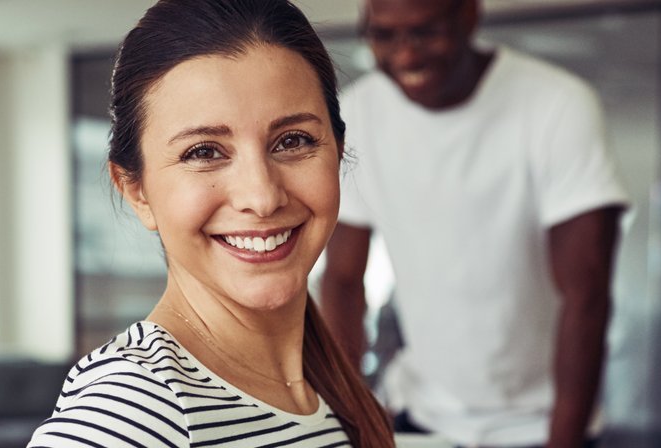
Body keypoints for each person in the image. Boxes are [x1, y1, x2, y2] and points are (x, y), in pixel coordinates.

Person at [25, 1, 394, 447]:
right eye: (203, 152)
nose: (261, 197)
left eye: (292, 141)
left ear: (337, 152)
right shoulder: (135, 408)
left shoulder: (328, 390)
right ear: (135, 189)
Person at [317, 0, 628, 446]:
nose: (404, 55)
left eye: (424, 32)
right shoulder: (359, 113)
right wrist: (353, 413)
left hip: (543, 427)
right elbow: (344, 280)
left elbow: (587, 295)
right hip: (420, 415)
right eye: (383, 35)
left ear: (468, 17)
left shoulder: (557, 104)